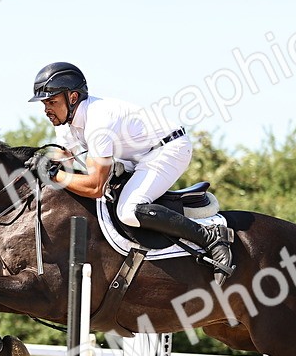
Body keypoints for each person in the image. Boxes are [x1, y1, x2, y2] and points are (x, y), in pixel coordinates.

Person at [27, 61, 234, 282]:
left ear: (73, 98)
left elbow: (94, 186)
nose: (46, 109)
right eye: (44, 103)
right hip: (133, 157)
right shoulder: (66, 125)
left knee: (129, 210)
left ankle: (211, 238)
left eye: (51, 101)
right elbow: (65, 162)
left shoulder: (99, 119)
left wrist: (54, 174)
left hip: (169, 149)